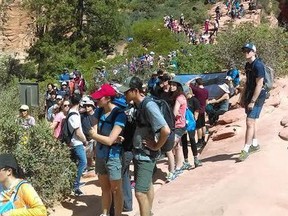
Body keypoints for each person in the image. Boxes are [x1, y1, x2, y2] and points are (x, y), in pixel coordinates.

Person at [118, 76, 170, 216]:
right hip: (140, 153)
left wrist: (156, 146)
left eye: (126, 91)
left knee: (140, 192)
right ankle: (148, 212)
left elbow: (165, 130)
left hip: (146, 155)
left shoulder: (148, 105)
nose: (124, 94)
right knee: (147, 187)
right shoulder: (138, 105)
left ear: (135, 90)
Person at [89, 84, 126, 216]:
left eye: (99, 98)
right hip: (100, 155)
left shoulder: (119, 115)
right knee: (105, 188)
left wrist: (98, 137)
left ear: (108, 98)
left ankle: (118, 214)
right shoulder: (99, 111)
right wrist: (109, 139)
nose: (96, 101)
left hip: (113, 156)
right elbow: (93, 132)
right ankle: (105, 213)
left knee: (116, 189)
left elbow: (102, 137)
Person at [238, 43, 266, 162]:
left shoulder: (258, 65)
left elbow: (259, 84)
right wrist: (242, 97)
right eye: (244, 50)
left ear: (254, 52)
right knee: (252, 121)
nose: (246, 52)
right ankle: (254, 144)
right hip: (249, 95)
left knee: (249, 121)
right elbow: (247, 82)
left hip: (258, 96)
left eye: (248, 51)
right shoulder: (247, 65)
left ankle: (246, 149)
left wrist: (253, 101)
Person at [166, 78, 187, 181]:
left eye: (174, 85)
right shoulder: (181, 97)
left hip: (178, 126)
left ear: (178, 86)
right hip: (180, 125)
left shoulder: (178, 98)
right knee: (178, 147)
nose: (172, 87)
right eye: (171, 85)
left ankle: (172, 171)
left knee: (169, 147)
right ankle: (179, 167)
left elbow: (174, 113)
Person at [68, 94, 88, 196]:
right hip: (77, 143)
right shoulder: (74, 115)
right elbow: (78, 132)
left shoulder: (73, 113)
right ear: (79, 102)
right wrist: (85, 140)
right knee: (83, 162)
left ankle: (73, 183)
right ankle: (75, 186)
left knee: (75, 164)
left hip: (75, 143)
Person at [181, 86, 202, 168]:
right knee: (184, 142)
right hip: (183, 123)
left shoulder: (194, 100)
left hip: (190, 123)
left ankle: (195, 158)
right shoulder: (183, 100)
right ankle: (186, 160)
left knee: (192, 139)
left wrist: (192, 122)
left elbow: (196, 112)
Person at [189, 78, 209, 147]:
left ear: (197, 83)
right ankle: (204, 139)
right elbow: (207, 101)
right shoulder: (206, 91)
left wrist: (193, 78)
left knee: (198, 127)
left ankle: (199, 141)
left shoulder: (197, 90)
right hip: (203, 109)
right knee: (203, 125)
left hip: (197, 110)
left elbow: (187, 84)